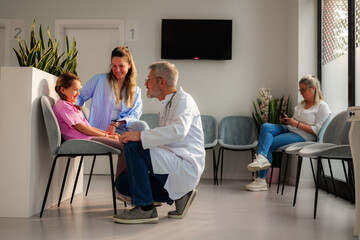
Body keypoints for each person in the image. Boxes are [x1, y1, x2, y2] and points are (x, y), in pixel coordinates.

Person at [113, 61, 205, 224]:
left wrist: (141, 136)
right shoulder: (167, 103)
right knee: (122, 184)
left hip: (185, 164)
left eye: (149, 79)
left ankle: (146, 208)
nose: (146, 83)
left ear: (161, 82)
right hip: (172, 161)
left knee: (133, 146)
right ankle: (182, 194)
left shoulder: (184, 100)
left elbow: (179, 130)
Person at [246, 75, 331, 191]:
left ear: (313, 88)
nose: (301, 93)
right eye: (300, 90)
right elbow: (294, 121)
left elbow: (317, 131)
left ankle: (261, 179)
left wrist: (295, 124)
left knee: (268, 143)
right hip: (290, 129)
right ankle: (261, 157)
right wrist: (288, 120)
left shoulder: (322, 106)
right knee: (266, 126)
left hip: (303, 136)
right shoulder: (301, 104)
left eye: (303, 90)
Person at [76, 46, 148, 177]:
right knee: (128, 146)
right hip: (100, 130)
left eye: (121, 66)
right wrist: (74, 111)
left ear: (130, 65)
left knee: (142, 127)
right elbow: (80, 96)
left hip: (121, 128)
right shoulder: (99, 80)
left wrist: (116, 123)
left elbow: (135, 114)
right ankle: (122, 186)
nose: (117, 70)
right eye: (114, 66)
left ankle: (140, 179)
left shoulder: (135, 90)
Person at [53, 73, 126, 175]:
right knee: (124, 147)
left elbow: (88, 128)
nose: (78, 93)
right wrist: (107, 136)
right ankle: (122, 186)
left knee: (124, 144)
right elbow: (82, 128)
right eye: (75, 89)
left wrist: (109, 135)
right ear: (62, 90)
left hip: (87, 138)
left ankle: (124, 184)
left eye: (79, 90)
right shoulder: (63, 106)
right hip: (82, 140)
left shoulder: (71, 106)